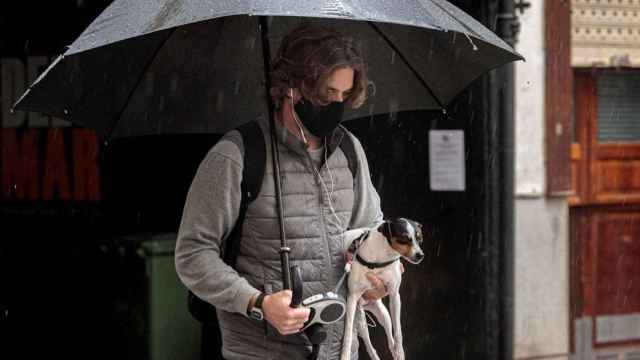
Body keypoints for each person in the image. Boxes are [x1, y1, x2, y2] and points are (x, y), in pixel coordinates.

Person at [175, 24, 391, 359]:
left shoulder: (349, 149)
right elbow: (193, 254)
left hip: (338, 350)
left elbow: (370, 230)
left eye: (343, 96)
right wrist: (257, 303)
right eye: (326, 94)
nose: (336, 105)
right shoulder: (237, 155)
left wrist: (377, 272)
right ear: (292, 87)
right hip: (260, 351)